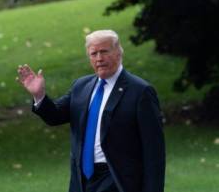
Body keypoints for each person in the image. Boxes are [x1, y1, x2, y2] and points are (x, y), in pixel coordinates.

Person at [17, 29, 165, 192]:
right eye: (93, 54)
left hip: (117, 180)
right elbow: (55, 116)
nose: (99, 58)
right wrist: (40, 95)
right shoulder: (81, 86)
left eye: (104, 52)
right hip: (82, 181)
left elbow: (154, 152)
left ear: (118, 52)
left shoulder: (140, 91)